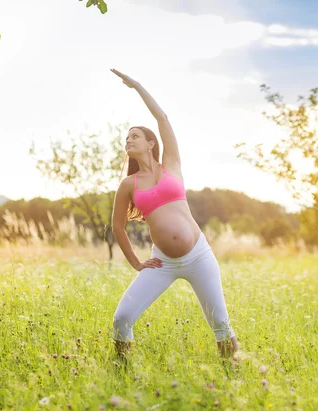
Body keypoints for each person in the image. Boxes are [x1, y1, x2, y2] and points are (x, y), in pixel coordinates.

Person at [109, 68, 238, 359]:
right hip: (162, 263)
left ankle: (237, 378)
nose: (128, 141)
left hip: (198, 256)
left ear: (151, 143)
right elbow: (117, 227)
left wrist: (138, 86)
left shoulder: (171, 165)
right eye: (126, 138)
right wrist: (136, 263)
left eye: (135, 136)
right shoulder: (128, 184)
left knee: (220, 323)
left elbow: (163, 119)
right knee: (122, 318)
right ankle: (122, 373)